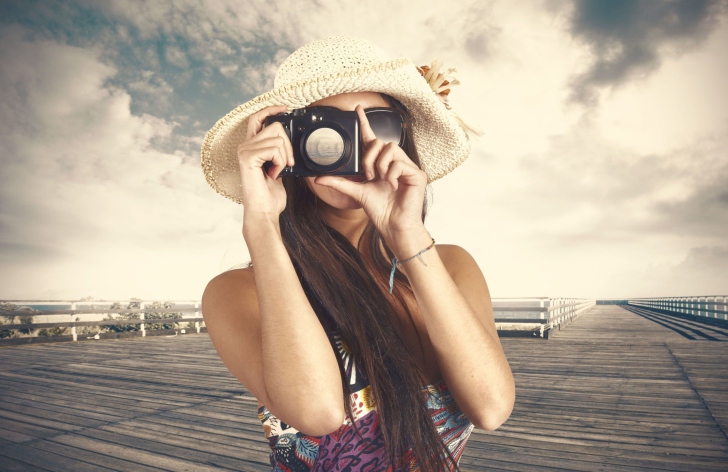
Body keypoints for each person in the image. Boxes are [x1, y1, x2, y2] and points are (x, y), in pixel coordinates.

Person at [200, 36, 515, 471]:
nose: (353, 147)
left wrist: (406, 234)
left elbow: (491, 407)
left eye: (379, 125)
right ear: (287, 145)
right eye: (326, 129)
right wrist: (263, 225)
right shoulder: (238, 291)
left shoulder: (452, 266)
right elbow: (318, 413)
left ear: (402, 140)